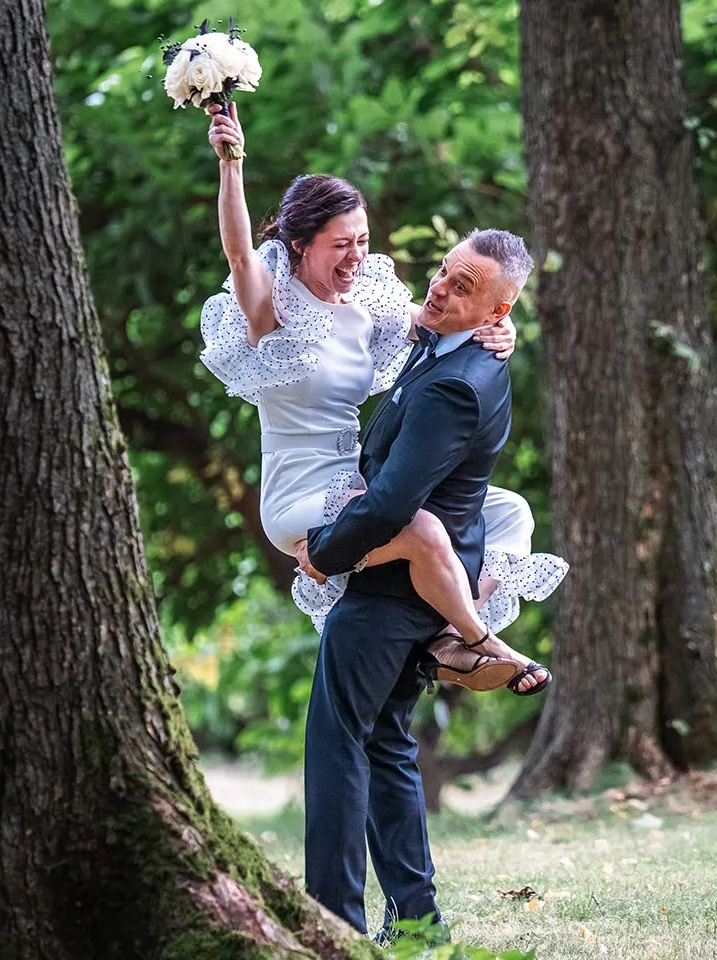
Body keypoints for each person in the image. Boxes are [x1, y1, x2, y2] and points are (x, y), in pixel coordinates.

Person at [199, 106, 564, 694]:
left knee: (508, 513)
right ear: (299, 245)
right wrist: (231, 164)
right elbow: (241, 254)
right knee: (421, 530)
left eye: (362, 241)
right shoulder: (272, 315)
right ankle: (476, 642)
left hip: (355, 477)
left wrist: (503, 324)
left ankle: (447, 636)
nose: (356, 257)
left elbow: (447, 318)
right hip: (298, 492)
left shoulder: (372, 303)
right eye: (340, 245)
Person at [298, 226, 535, 940]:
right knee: (385, 744)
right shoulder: (456, 346)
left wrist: (327, 553)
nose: (439, 287)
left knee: (336, 741)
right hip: (418, 587)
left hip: (393, 594)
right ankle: (418, 926)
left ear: (496, 314)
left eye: (463, 287)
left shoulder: (460, 386)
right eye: (444, 271)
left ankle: (334, 924)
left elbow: (395, 500)